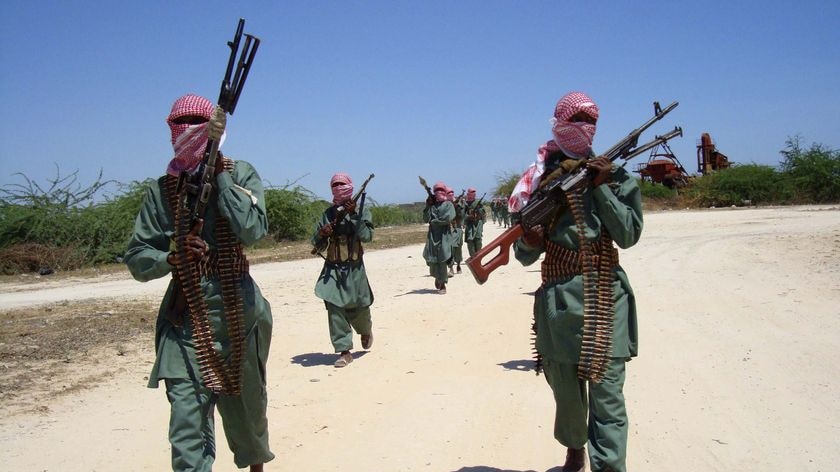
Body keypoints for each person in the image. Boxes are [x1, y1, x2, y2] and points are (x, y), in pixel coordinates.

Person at [124, 94, 274, 471]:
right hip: (186, 319)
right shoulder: (162, 190)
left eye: (198, 122)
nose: (189, 130)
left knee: (247, 410)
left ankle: (255, 462)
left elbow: (253, 229)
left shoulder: (240, 173)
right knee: (186, 425)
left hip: (239, 311)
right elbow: (138, 257)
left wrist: (219, 176)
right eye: (182, 123)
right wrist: (171, 258)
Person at [510, 91, 642, 472]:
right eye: (576, 119)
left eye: (591, 120)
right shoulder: (540, 181)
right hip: (559, 303)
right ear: (558, 124)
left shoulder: (614, 177)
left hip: (606, 297)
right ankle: (573, 447)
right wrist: (530, 241)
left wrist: (601, 188)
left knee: (608, 396)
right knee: (566, 391)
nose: (585, 127)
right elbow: (522, 254)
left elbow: (629, 234)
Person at [311, 173, 375, 368]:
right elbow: (317, 244)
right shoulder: (328, 214)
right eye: (335, 185)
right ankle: (344, 350)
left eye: (342, 184)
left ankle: (365, 330)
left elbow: (367, 236)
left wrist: (354, 215)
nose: (338, 188)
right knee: (333, 305)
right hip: (333, 268)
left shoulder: (362, 211)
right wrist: (322, 234)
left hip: (354, 269)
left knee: (359, 306)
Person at [422, 181, 455, 293]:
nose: (438, 192)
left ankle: (443, 283)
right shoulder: (432, 206)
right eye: (436, 191)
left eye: (441, 190)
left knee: (442, 258)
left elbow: (447, 218)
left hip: (444, 236)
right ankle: (438, 277)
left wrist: (435, 221)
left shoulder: (448, 205)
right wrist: (428, 206)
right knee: (432, 259)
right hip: (432, 236)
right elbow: (426, 219)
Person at [447, 187, 465, 275]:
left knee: (458, 247)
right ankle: (450, 267)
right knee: (450, 248)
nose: (450, 195)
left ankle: (458, 264)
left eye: (452, 193)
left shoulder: (459, 204)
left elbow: (462, 215)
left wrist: (458, 205)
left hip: (457, 228)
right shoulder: (445, 204)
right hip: (448, 228)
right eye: (448, 193)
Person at [463, 188, 486, 257]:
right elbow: (462, 214)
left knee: (478, 239)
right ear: (468, 194)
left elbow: (483, 213)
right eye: (471, 193)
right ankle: (473, 257)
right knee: (470, 240)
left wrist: (479, 210)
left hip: (478, 223)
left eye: (474, 193)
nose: (472, 194)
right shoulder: (465, 203)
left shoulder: (479, 202)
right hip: (469, 224)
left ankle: (478, 256)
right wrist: (468, 216)